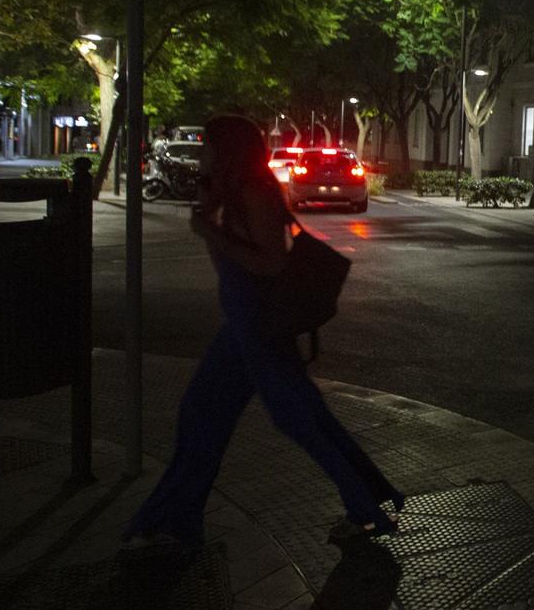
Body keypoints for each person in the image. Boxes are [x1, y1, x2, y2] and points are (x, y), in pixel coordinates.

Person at [124, 114, 401, 550]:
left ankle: (367, 508)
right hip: (240, 328)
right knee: (206, 417)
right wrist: (207, 200)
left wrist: (212, 234)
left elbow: (272, 263)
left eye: (210, 146)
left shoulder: (255, 192)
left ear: (228, 151)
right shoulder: (231, 191)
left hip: (259, 328)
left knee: (299, 421)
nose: (203, 154)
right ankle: (176, 519)